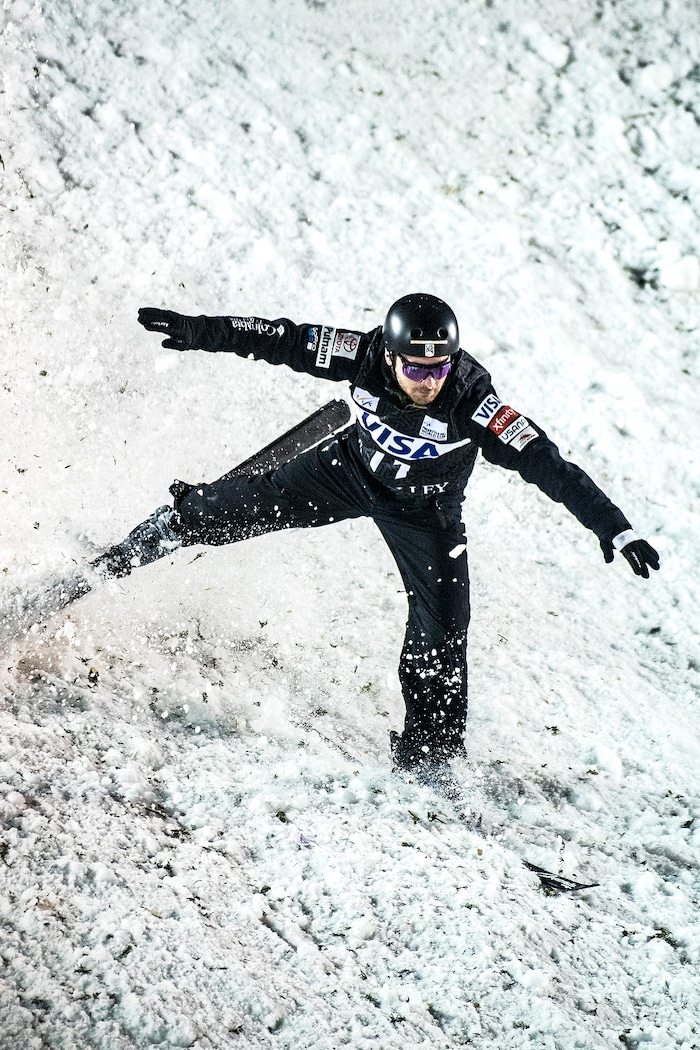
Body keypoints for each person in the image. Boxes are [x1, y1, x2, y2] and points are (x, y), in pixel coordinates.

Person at [99, 293, 660, 777]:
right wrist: (201, 331)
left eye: (439, 368)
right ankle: (153, 537)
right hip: (346, 472)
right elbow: (281, 339)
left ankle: (431, 755)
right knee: (236, 508)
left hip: (425, 514)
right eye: (414, 369)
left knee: (442, 632)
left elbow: (549, 465)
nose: (427, 381)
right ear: (389, 356)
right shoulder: (361, 353)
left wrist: (615, 528)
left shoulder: (476, 404)